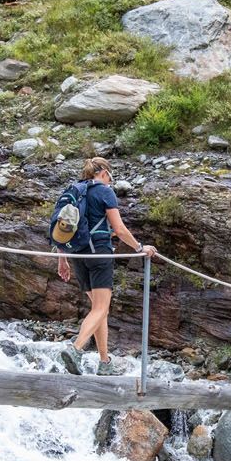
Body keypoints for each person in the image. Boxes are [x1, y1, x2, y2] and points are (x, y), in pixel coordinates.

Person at [56, 157, 155, 375]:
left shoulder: (76, 190)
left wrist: (61, 259)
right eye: (110, 176)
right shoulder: (104, 191)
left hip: (77, 254)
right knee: (102, 308)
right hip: (99, 254)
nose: (111, 180)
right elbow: (119, 229)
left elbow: (65, 227)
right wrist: (140, 247)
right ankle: (76, 349)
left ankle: (104, 362)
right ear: (104, 173)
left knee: (99, 310)